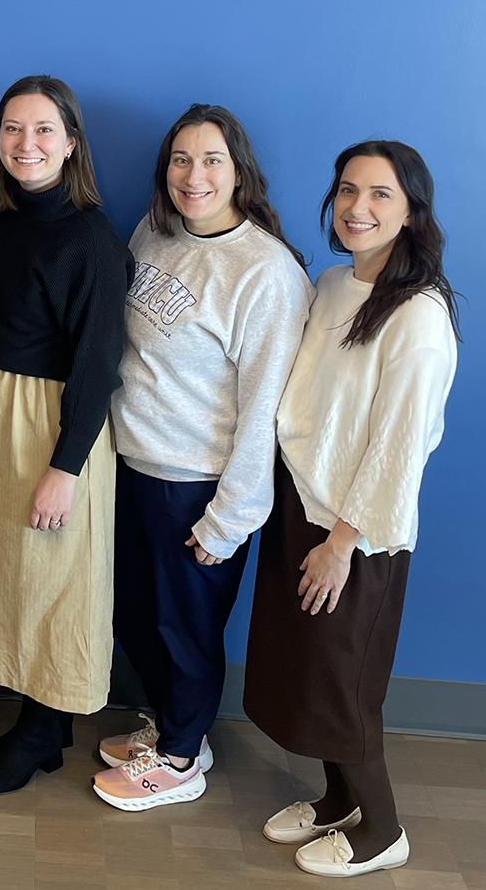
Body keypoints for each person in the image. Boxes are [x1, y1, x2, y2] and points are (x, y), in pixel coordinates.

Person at [244, 141, 459, 878]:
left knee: (344, 684)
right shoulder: (334, 285)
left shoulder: (419, 316)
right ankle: (338, 800)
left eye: (380, 196)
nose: (357, 209)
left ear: (411, 214)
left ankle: (384, 831)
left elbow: (402, 446)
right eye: (347, 191)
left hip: (357, 533)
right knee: (306, 673)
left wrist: (342, 542)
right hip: (299, 504)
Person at [93, 104, 313, 811]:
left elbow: (265, 413)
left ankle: (182, 760)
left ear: (239, 170)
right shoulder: (155, 235)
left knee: (184, 631)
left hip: (197, 485)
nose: (195, 175)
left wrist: (231, 518)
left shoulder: (266, 273)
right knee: (134, 616)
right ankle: (176, 728)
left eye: (211, 160)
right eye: (181, 160)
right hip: (131, 467)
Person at [0, 75, 133, 796]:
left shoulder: (88, 237)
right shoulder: (1, 222)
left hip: (53, 423)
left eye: (44, 129)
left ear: (72, 144)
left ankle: (48, 726)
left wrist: (66, 465)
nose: (27, 143)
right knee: (14, 571)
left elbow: (96, 363)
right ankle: (38, 724)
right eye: (13, 129)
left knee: (58, 577)